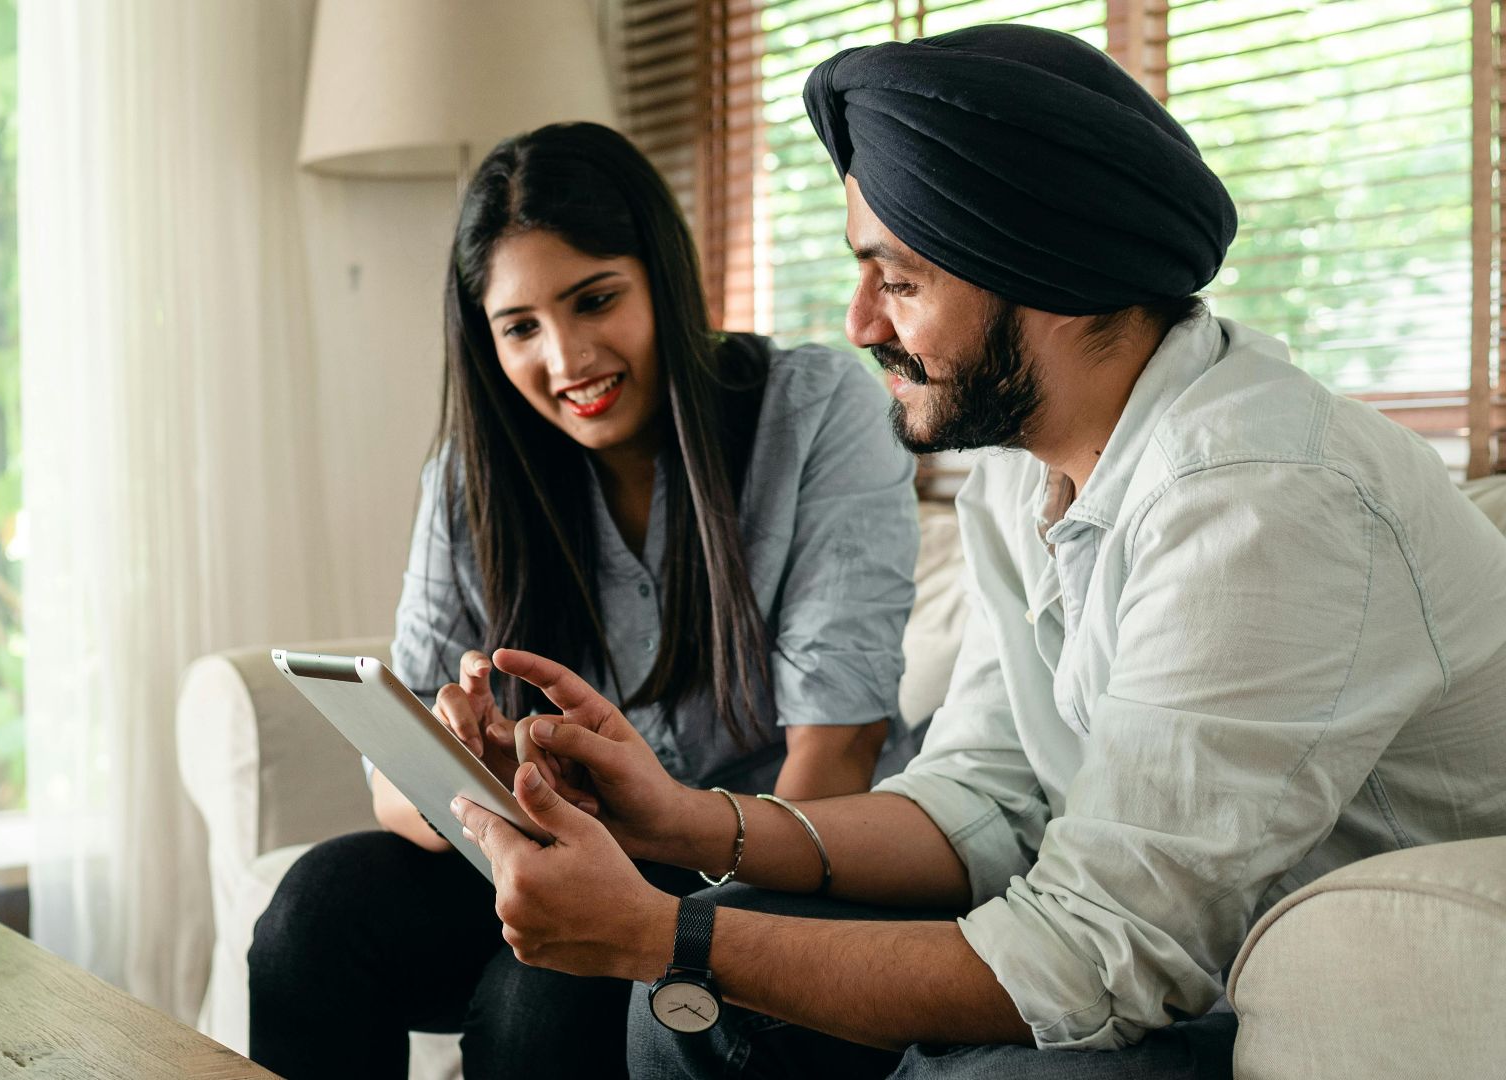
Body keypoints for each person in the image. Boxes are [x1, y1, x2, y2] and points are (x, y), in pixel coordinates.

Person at [447, 25, 1506, 1080]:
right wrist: (682, 823)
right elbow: (989, 797)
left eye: (899, 281)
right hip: (1153, 938)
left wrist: (659, 934)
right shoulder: (1024, 468)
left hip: (1304, 975)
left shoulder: (1260, 498)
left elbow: (1099, 954)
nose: (861, 321)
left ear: (1045, 273)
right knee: (702, 1009)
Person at [247, 121, 922, 1080]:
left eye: (595, 300)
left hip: (763, 856)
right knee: (311, 913)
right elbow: (393, 791)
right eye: (520, 327)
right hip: (558, 848)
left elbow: (837, 756)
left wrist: (643, 879)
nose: (566, 360)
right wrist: (464, 773)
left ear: (661, 276)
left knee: (544, 994)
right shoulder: (470, 479)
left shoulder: (813, 411)